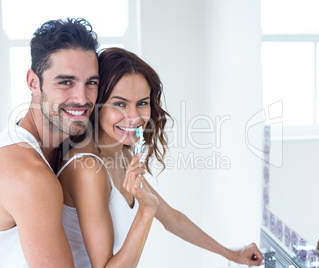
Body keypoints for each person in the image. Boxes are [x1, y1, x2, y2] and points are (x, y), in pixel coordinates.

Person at [57, 47, 264, 267]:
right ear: (97, 105)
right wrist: (146, 211)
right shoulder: (88, 168)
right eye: (119, 104)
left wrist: (231, 254)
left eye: (142, 103)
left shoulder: (120, 153)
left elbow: (172, 220)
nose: (134, 117)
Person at [0, 18, 100, 267]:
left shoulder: (53, 147)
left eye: (91, 83)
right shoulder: (27, 175)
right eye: (66, 82)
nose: (82, 97)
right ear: (33, 82)